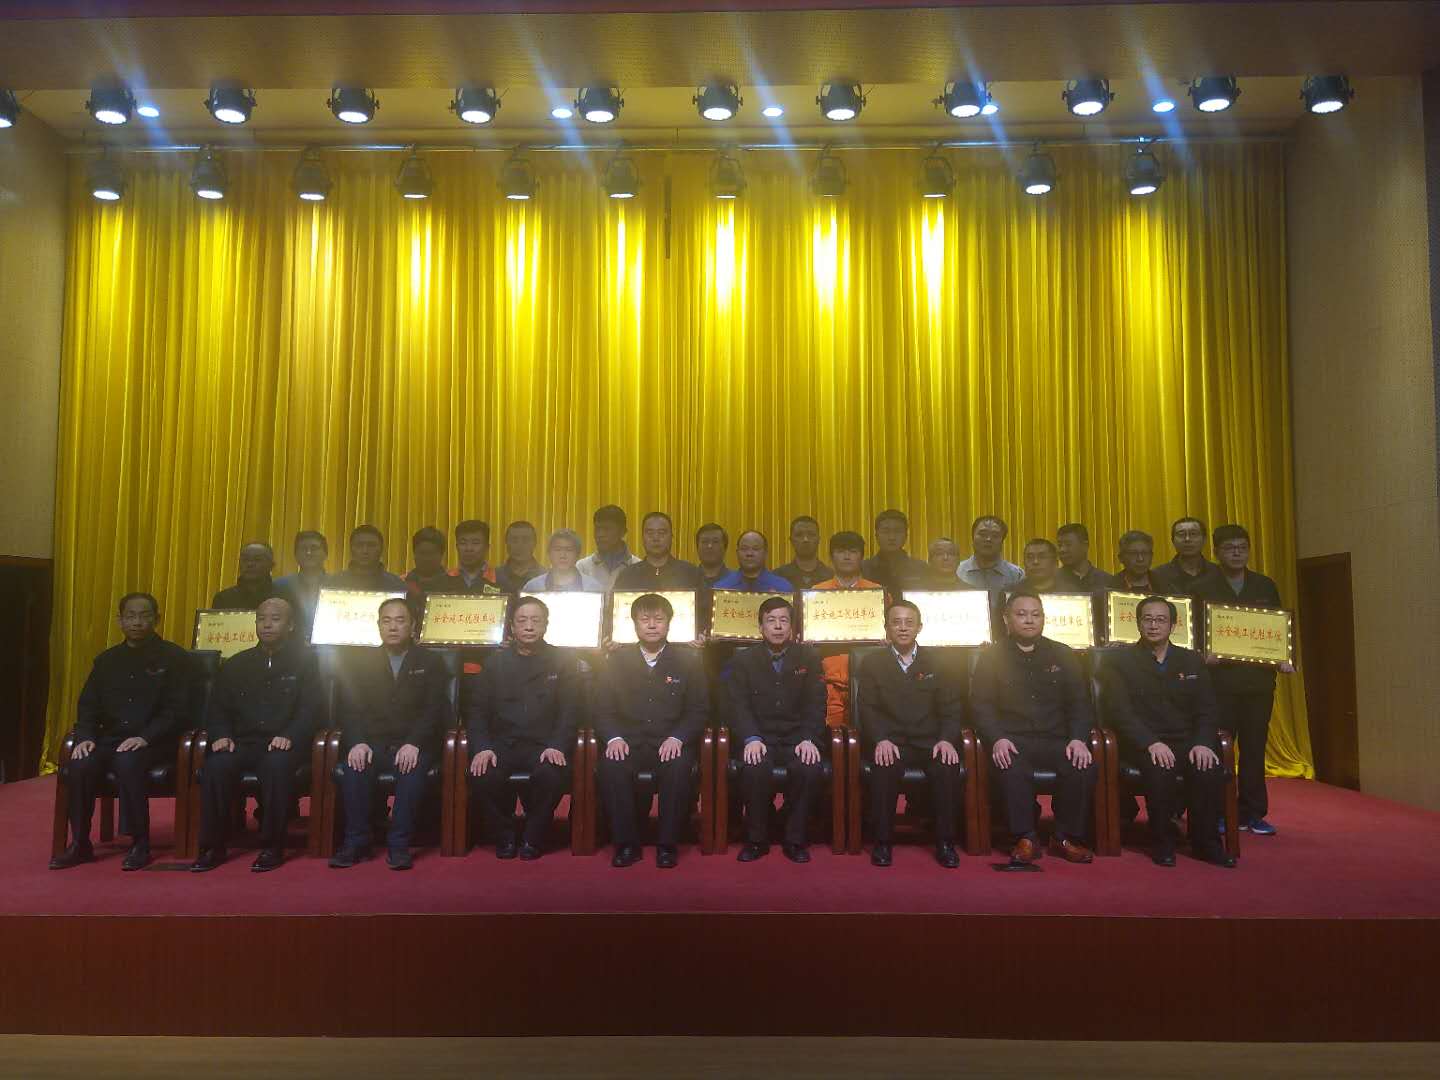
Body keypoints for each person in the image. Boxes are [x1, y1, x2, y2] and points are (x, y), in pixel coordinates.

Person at [50, 593, 193, 871]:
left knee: (129, 761)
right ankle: (80, 843)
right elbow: (88, 705)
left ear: (157, 619)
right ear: (120, 621)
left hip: (155, 741)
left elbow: (177, 709)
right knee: (80, 763)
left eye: (144, 616)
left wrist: (145, 737)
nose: (137, 622)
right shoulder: (107, 660)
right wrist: (85, 738)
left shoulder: (175, 658)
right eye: (130, 616)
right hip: (110, 739)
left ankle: (140, 843)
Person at [1098, 595, 1236, 867]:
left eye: (1161, 620)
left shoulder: (1190, 660)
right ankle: (1162, 842)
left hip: (1188, 741)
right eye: (1148, 619)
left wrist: (1203, 742)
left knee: (1207, 767)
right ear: (1138, 623)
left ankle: (1206, 843)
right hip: (1143, 743)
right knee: (1160, 766)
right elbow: (1119, 712)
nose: (1154, 625)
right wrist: (1150, 742)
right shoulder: (1119, 662)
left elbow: (1207, 708)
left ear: (1173, 625)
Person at [190, 597, 321, 873]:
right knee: (216, 766)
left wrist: (290, 735)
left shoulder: (306, 663)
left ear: (291, 625)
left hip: (282, 744)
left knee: (276, 766)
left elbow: (311, 708)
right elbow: (218, 707)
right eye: (262, 619)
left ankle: (272, 846)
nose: (267, 625)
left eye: (275, 619)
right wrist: (221, 734)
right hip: (242, 742)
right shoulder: (237, 663)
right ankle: (212, 846)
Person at [970, 590, 1096, 864]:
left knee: (1081, 765)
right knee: (1010, 766)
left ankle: (1065, 837)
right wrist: (997, 738)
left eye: (1036, 615)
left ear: (1043, 619)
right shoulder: (991, 657)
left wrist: (1078, 738)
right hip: (1013, 740)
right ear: (1007, 619)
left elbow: (1079, 703)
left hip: (1057, 739)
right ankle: (1025, 837)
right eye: (1022, 614)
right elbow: (981, 705)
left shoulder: (1062, 653)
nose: (1029, 620)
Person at [329, 598, 450, 870]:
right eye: (386, 621)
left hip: (413, 744)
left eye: (400, 620)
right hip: (372, 743)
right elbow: (349, 707)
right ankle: (356, 842)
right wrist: (358, 742)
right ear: (378, 625)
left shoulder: (431, 661)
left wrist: (414, 743)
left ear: (413, 626)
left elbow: (435, 709)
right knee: (355, 767)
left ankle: (399, 844)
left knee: (411, 769)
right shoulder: (360, 662)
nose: (393, 627)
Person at [1190, 524, 1293, 836]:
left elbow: (1276, 629)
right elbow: (1193, 633)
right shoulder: (1202, 587)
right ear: (1216, 552)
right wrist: (1202, 655)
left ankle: (1252, 813)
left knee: (1254, 750)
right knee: (1220, 749)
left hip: (1257, 684)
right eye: (1229, 548)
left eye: (1242, 547)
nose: (1236, 553)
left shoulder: (1265, 585)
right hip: (1218, 684)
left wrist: (1283, 656)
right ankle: (1220, 812)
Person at [594, 593, 709, 868]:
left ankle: (667, 845)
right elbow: (601, 708)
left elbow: (699, 709)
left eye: (659, 619)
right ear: (634, 623)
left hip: (670, 741)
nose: (652, 625)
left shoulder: (689, 660)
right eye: (645, 619)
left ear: (669, 623)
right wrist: (614, 737)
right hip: (628, 742)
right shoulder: (615, 661)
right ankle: (626, 844)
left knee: (679, 767)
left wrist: (678, 737)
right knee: (612, 765)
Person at [466, 597, 582, 859]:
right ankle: (504, 836)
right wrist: (482, 747)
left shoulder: (563, 661)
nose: (529, 626)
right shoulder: (495, 663)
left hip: (544, 745)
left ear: (546, 625)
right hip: (502, 745)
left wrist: (557, 745)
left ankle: (533, 836)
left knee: (551, 774)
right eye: (522, 620)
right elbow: (477, 711)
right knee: (483, 773)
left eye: (536, 620)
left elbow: (570, 710)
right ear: (512, 626)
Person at [858, 599, 965, 869]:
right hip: (891, 741)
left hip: (931, 742)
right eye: (896, 622)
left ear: (919, 627)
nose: (903, 628)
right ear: (886, 628)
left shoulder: (939, 662)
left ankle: (945, 842)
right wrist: (880, 739)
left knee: (947, 766)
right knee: (884, 765)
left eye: (909, 623)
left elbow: (951, 707)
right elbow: (867, 707)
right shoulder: (872, 662)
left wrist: (946, 739)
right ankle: (883, 841)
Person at [723, 597, 826, 863]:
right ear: (761, 627)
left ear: (792, 627)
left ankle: (795, 839)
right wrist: (751, 737)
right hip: (760, 737)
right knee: (754, 768)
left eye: (783, 620)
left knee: (808, 768)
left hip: (797, 738)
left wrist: (808, 738)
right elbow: (737, 705)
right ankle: (757, 839)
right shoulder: (743, 660)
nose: (778, 626)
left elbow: (816, 703)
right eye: (771, 621)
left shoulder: (809, 657)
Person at [814, 531, 884, 729]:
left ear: (861, 557)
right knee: (831, 734)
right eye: (840, 551)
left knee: (868, 732)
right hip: (829, 678)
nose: (847, 556)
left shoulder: (877, 593)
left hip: (868, 677)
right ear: (831, 557)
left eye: (852, 551)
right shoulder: (816, 593)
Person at [614, 511, 704, 590]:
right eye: (650, 533)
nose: (656, 538)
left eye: (661, 533)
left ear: (672, 537)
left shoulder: (691, 574)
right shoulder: (627, 576)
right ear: (642, 537)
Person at [275, 530, 330, 642]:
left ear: (325, 554)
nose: (309, 552)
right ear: (295, 555)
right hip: (290, 648)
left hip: (328, 647)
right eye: (303, 549)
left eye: (314, 548)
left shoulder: (337, 585)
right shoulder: (280, 586)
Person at [1151, 517, 1226, 596]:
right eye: (1181, 534)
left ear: (1204, 540)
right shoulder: (1159, 575)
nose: (1187, 539)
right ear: (1173, 541)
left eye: (1193, 534)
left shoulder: (1219, 573)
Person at [860, 509, 931, 592]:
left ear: (906, 535)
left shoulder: (921, 568)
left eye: (898, 531)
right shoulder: (864, 569)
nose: (892, 537)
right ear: (876, 536)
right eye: (886, 531)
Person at [576, 505, 642, 590]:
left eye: (606, 529)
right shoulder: (582, 567)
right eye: (597, 529)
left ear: (623, 532)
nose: (600, 534)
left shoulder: (639, 567)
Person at [329, 525, 406, 592]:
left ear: (381, 549)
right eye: (359, 545)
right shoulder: (333, 583)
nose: (365, 551)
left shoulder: (397, 585)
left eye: (371, 545)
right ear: (351, 549)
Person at [523, 529, 604, 592]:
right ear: (548, 553)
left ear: (578, 554)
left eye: (569, 550)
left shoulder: (592, 587)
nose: (563, 555)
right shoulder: (533, 587)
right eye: (557, 549)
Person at [957, 516, 1024, 591]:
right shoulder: (957, 572)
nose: (988, 539)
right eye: (982, 534)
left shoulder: (1017, 575)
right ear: (973, 538)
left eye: (995, 536)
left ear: (1002, 541)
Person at [713, 530, 793, 592]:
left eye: (755, 549)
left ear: (765, 553)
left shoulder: (782, 588)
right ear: (737, 553)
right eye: (744, 548)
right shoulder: (722, 588)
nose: (749, 553)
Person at [212, 542, 280, 610]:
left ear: (271, 565)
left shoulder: (282, 595)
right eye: (245, 560)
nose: (250, 564)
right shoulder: (223, 598)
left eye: (257, 559)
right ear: (239, 565)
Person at [774, 516, 831, 591]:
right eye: (799, 535)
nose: (805, 539)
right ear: (791, 540)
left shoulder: (831, 577)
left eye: (811, 534)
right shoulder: (777, 577)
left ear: (818, 539)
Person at [404, 526, 458, 600]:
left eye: (431, 553)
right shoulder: (401, 585)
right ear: (414, 554)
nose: (426, 558)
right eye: (422, 553)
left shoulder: (455, 586)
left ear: (442, 554)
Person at [452, 519, 503, 594]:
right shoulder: (440, 582)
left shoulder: (503, 582)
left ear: (487, 547)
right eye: (463, 543)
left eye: (475, 543)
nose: (469, 548)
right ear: (456, 547)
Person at [1055, 523, 1107, 593]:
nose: (1062, 550)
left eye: (1068, 544)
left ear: (1085, 546)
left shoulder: (1106, 581)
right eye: (1059, 545)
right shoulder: (1051, 580)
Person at [496, 520, 544, 593]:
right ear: (506, 543)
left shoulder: (546, 578)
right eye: (514, 540)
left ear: (534, 543)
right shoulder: (494, 577)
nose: (520, 546)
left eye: (525, 540)